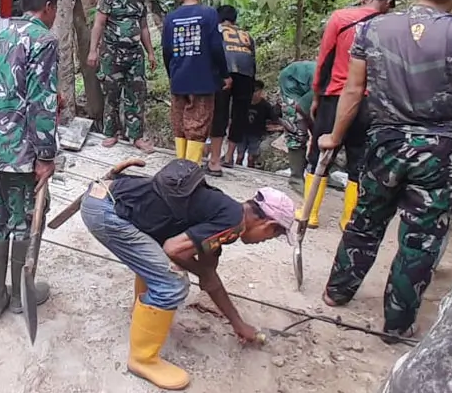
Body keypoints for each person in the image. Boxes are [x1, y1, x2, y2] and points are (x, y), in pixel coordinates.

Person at [318, 0, 452, 341]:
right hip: (438, 150)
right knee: (420, 238)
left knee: (366, 222)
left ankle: (337, 291)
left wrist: (334, 136)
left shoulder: (373, 29)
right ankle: (396, 322)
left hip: (384, 142)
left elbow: (354, 91)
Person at [79, 159, 296, 390]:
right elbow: (174, 250)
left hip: (102, 197)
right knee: (172, 283)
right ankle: (142, 360)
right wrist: (200, 272)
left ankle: (141, 312)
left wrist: (237, 323)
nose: (264, 241)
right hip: (107, 212)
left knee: (158, 265)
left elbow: (209, 278)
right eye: (272, 237)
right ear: (269, 225)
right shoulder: (232, 223)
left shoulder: (224, 211)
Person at [0, 0, 60, 322]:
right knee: (24, 219)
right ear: (49, 7)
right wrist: (46, 154)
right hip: (18, 151)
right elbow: (41, 101)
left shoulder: (2, 35)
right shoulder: (44, 39)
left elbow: (3, 87)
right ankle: (23, 295)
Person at [305, 0, 395, 230]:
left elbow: (324, 59)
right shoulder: (390, 26)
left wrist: (316, 95)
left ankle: (310, 213)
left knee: (320, 155)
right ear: (387, 2)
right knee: (360, 160)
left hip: (335, 96)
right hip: (370, 102)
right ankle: (349, 220)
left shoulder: (340, 18)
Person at [87, 0, 157, 153]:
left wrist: (150, 52)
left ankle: (136, 136)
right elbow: (99, 24)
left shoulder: (141, 1)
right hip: (112, 54)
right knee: (112, 94)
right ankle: (111, 132)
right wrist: (93, 51)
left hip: (135, 55)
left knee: (136, 95)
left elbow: (143, 28)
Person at [161, 0, 229, 164]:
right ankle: (190, 169)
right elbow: (216, 47)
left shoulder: (171, 18)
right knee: (198, 124)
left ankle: (179, 164)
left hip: (179, 77)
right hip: (203, 78)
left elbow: (166, 50)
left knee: (180, 122)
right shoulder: (209, 14)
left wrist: (171, 74)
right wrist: (224, 74)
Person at [207, 5, 256, 176]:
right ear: (234, 19)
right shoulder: (247, 35)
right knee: (239, 114)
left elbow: (213, 52)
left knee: (219, 114)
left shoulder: (216, 30)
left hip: (224, 71)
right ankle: (229, 157)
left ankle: (214, 159)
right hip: (246, 74)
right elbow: (253, 59)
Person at [278, 61, 316, 187]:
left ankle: (320, 173)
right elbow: (300, 107)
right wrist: (311, 125)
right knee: (297, 130)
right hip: (292, 81)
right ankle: (296, 178)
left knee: (324, 133)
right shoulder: (324, 85)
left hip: (310, 84)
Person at [228, 80, 280, 168]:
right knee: (240, 155)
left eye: (256, 91)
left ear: (261, 92)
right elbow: (233, 117)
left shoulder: (265, 106)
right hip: (242, 133)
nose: (254, 94)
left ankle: (250, 172)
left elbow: (274, 119)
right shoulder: (242, 103)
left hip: (256, 134)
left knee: (251, 157)